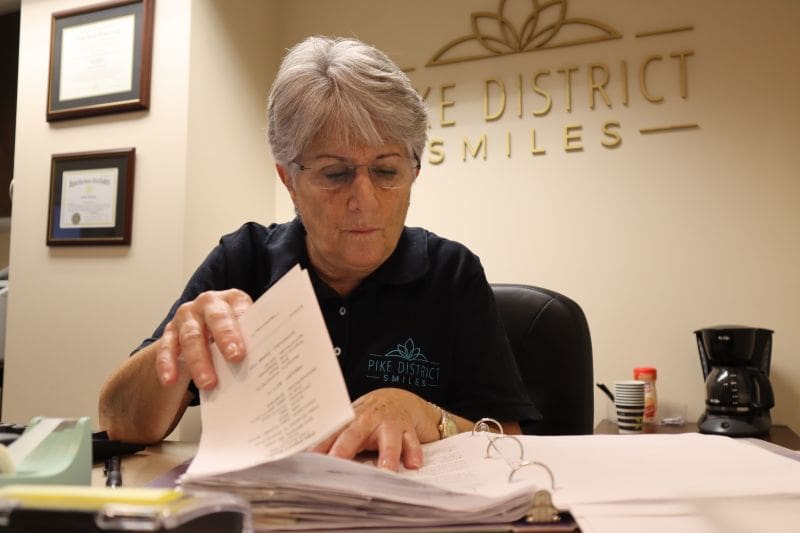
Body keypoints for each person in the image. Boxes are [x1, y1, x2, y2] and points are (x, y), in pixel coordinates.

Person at [98, 36, 539, 472]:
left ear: (414, 173)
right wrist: (177, 348)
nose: (364, 199)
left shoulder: (450, 272)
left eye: (387, 170)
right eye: (335, 173)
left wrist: (430, 417)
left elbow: (508, 439)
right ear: (288, 179)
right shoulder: (245, 260)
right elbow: (119, 424)